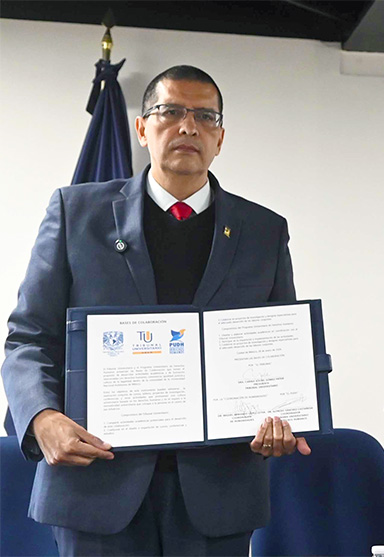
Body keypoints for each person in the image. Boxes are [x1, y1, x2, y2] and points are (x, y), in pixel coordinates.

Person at [1, 65, 310, 556]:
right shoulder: (75, 212)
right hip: (96, 489)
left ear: (221, 138)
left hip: (218, 495)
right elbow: (28, 336)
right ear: (142, 128)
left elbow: (275, 351)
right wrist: (41, 417)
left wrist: (282, 416)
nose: (188, 127)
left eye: (205, 116)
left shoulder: (264, 231)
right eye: (170, 112)